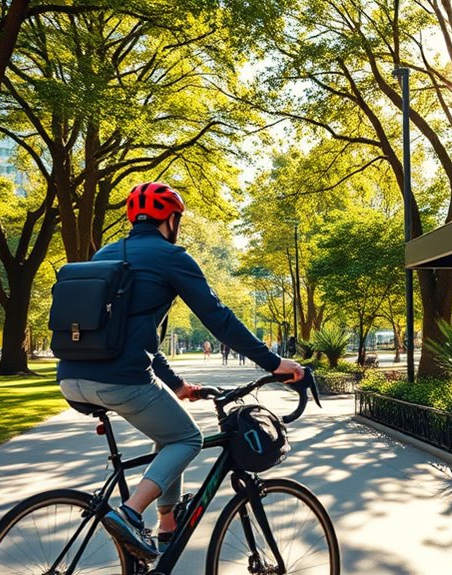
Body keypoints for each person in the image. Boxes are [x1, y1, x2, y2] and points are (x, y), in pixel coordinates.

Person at [56, 182, 303, 560]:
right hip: (120, 380)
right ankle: (130, 512)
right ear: (170, 219)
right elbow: (219, 319)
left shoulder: (104, 253)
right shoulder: (171, 257)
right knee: (187, 438)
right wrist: (274, 363)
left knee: (168, 428)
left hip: (71, 378)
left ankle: (167, 523)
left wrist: (176, 385)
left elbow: (132, 333)